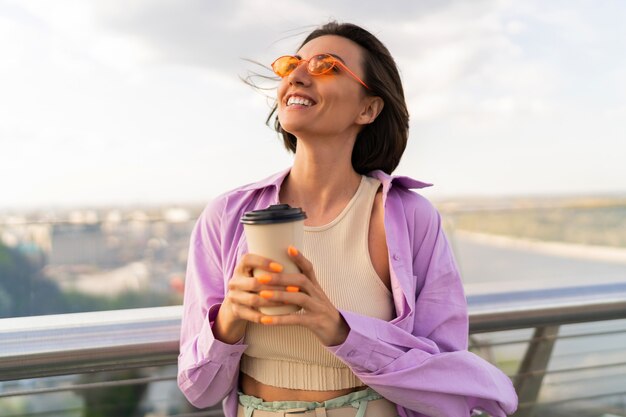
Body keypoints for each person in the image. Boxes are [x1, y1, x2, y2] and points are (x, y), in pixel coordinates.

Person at [178, 21, 518, 417]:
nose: (299, 76)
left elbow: (444, 376)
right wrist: (230, 319)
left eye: (327, 67)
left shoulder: (412, 219)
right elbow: (199, 390)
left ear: (368, 108)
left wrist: (340, 330)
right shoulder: (228, 216)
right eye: (292, 66)